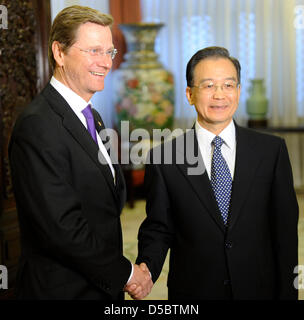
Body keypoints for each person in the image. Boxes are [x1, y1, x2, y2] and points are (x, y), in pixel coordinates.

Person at [9, 5, 152, 300]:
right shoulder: (38, 125)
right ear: (59, 53)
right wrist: (127, 274)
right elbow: (62, 229)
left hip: (99, 287)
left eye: (109, 52)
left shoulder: (92, 117)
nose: (105, 62)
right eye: (93, 51)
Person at [136, 46, 299, 300]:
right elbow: (158, 227)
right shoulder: (164, 158)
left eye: (228, 85)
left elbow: (285, 234)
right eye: (209, 85)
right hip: (194, 291)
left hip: (259, 289)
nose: (219, 95)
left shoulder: (271, 151)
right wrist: (146, 269)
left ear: (239, 91)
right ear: (190, 94)